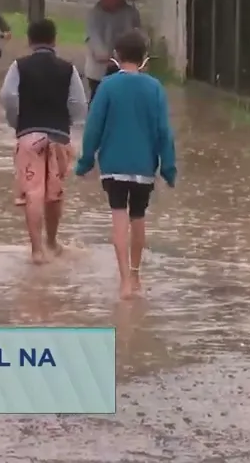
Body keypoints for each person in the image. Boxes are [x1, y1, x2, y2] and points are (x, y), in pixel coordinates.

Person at [74, 29, 177, 299]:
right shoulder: (155, 88)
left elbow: (93, 128)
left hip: (113, 166)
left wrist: (85, 162)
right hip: (144, 167)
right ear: (144, 58)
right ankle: (135, 273)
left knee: (118, 218)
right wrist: (168, 168)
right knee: (138, 218)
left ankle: (124, 282)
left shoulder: (107, 86)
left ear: (116, 56)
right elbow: (163, 131)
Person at [0, 18, 90, 264]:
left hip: (29, 135)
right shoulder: (68, 69)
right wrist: (67, 122)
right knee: (54, 193)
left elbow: (8, 95)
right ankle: (52, 241)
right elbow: (79, 104)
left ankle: (37, 250)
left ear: (29, 41)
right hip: (59, 136)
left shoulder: (19, 66)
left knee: (34, 192)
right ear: (54, 40)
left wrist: (15, 120)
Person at [84, 0, 142, 101]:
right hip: (99, 70)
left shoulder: (131, 13)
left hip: (125, 68)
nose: (113, 1)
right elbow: (95, 40)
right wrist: (109, 57)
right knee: (98, 101)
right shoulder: (94, 14)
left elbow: (136, 36)